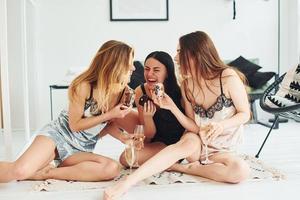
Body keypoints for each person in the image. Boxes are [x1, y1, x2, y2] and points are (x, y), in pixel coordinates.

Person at [103, 31, 251, 199]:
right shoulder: (187, 84)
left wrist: (221, 125)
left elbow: (244, 114)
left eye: (180, 52)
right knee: (186, 143)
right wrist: (172, 107)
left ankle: (182, 168)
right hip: (196, 140)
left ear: (194, 54)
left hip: (223, 145)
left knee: (240, 171)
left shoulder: (228, 77)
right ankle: (126, 183)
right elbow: (193, 126)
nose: (175, 57)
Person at [0, 40, 138, 182]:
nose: (133, 68)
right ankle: (38, 168)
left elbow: (108, 125)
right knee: (20, 171)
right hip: (59, 135)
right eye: (128, 63)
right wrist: (110, 114)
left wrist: (123, 137)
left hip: (82, 148)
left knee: (112, 168)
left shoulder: (126, 93)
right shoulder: (83, 86)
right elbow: (75, 125)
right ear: (113, 64)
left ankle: (46, 173)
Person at [119, 51, 186, 167]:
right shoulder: (140, 91)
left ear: (167, 73)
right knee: (127, 158)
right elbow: (149, 134)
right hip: (154, 140)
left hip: (173, 143)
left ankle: (171, 159)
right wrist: (147, 117)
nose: (149, 74)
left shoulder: (180, 92)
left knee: (126, 158)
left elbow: (189, 124)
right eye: (146, 69)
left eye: (156, 70)